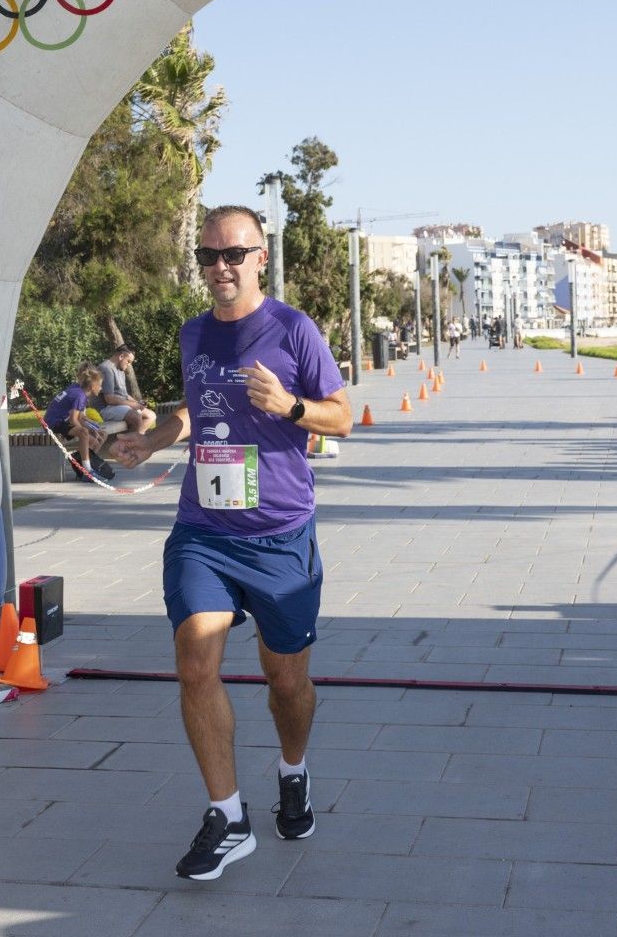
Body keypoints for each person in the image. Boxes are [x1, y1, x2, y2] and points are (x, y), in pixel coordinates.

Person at [113, 204, 353, 879]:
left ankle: (293, 769)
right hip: (204, 529)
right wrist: (152, 439)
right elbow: (195, 409)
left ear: (260, 257)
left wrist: (292, 408)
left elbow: (342, 418)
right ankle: (228, 817)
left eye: (234, 254)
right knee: (195, 658)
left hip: (279, 536)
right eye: (209, 257)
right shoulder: (193, 335)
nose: (221, 267)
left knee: (287, 685)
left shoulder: (292, 329)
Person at [43, 364, 114, 482]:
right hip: (53, 424)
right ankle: (87, 470)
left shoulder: (78, 390)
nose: (101, 388)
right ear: (92, 386)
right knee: (84, 433)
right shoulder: (80, 395)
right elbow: (73, 420)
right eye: (100, 385)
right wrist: (87, 431)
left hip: (61, 421)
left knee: (99, 435)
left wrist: (95, 428)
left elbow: (81, 416)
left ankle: (81, 464)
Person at [94, 343, 152, 434]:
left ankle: (132, 445)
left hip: (118, 406)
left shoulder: (120, 370)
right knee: (136, 417)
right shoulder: (106, 369)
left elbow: (124, 395)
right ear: (121, 356)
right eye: (128, 361)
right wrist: (134, 405)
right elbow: (109, 399)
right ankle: (134, 445)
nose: (129, 365)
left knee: (151, 416)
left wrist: (138, 403)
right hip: (105, 408)